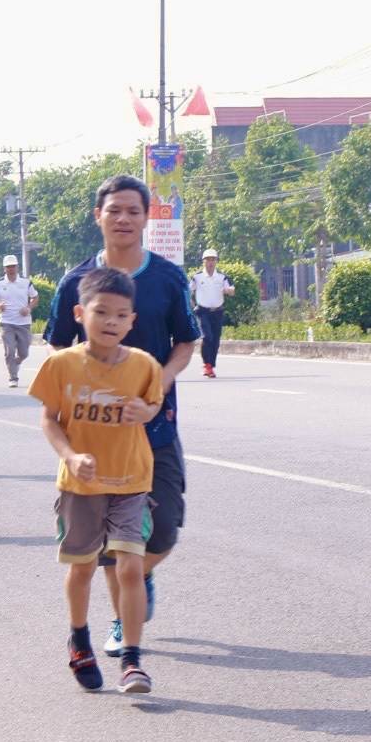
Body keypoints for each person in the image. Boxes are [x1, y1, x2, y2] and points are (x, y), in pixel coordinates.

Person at [45, 174, 200, 657]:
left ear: (146, 217)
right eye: (114, 210)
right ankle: (121, 620)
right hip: (96, 436)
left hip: (155, 427)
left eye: (133, 210)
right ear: (99, 216)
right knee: (113, 547)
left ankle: (140, 574)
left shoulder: (168, 278)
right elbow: (57, 345)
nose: (124, 219)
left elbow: (186, 341)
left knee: (166, 527)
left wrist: (157, 386)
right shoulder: (75, 282)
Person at [32, 268, 164, 694]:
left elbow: (153, 406)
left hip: (131, 480)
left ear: (132, 321)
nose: (111, 321)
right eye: (101, 311)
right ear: (79, 314)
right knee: (83, 566)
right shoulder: (61, 364)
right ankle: (79, 638)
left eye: (121, 314)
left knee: (130, 566)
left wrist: (145, 412)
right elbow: (49, 420)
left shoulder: (143, 365)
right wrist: (70, 457)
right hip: (81, 486)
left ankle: (132, 660)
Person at [0, 254, 39, 388]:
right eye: (8, 267)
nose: (11, 269)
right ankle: (13, 377)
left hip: (23, 322)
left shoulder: (26, 282)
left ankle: (16, 363)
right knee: (10, 351)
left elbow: (35, 297)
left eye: (13, 266)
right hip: (6, 322)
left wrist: (28, 308)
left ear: (18, 267)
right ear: (4, 268)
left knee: (24, 352)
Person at [190, 249, 235, 378]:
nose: (210, 262)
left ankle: (211, 366)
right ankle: (206, 365)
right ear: (203, 261)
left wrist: (227, 291)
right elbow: (187, 290)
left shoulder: (222, 277)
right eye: (208, 259)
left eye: (213, 259)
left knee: (215, 339)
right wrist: (191, 303)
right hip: (203, 311)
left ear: (216, 261)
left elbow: (232, 291)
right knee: (207, 336)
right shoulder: (197, 277)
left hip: (217, 312)